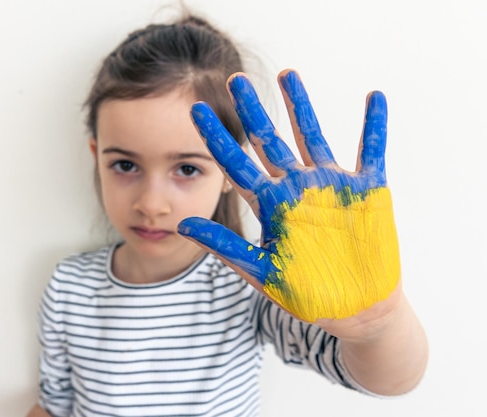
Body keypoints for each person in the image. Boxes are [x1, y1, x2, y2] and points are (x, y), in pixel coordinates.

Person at [26, 11, 428, 417]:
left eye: (187, 169)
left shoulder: (260, 282)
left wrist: (379, 324)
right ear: (97, 157)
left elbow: (390, 380)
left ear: (229, 171)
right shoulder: (69, 287)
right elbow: (54, 406)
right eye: (125, 165)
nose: (151, 203)